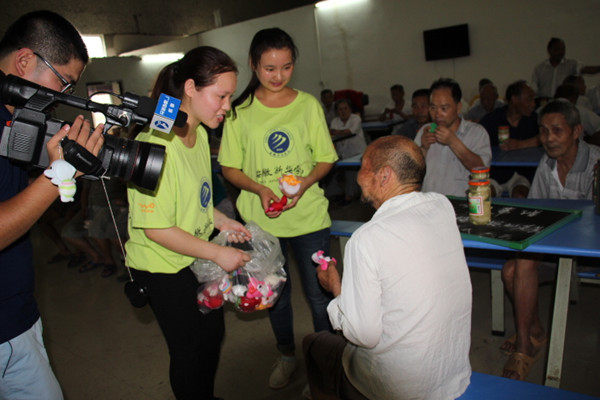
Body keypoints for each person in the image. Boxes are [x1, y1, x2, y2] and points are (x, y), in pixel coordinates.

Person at [125, 46, 252, 400]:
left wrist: (222, 220)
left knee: (212, 333)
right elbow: (156, 228)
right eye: (221, 96)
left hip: (193, 256)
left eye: (230, 96)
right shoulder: (153, 145)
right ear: (191, 88)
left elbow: (197, 200)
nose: (227, 106)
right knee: (188, 348)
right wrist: (218, 254)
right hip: (161, 266)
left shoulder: (199, 135)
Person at [303, 135, 472, 400]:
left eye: (363, 167)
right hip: (452, 376)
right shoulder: (442, 206)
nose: (358, 177)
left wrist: (335, 287)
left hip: (400, 391)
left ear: (384, 176)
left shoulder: (367, 238)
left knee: (314, 345)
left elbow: (364, 335)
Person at [218, 27, 338, 391]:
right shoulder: (239, 113)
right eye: (270, 68)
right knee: (275, 296)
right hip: (262, 223)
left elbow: (325, 158)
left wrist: (304, 184)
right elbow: (229, 167)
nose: (278, 75)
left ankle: (325, 364)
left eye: (286, 67)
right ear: (254, 65)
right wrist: (259, 188)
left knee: (319, 295)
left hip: (309, 218)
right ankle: (287, 355)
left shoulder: (307, 106)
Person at [0, 10, 104, 400]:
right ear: (25, 61)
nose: (63, 96)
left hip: (17, 316)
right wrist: (58, 174)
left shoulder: (13, 119)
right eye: (64, 82)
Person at [500, 100, 600, 381]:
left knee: (520, 266)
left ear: (577, 131)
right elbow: (537, 213)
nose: (549, 138)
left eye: (557, 130)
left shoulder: (596, 163)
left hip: (587, 257)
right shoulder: (547, 163)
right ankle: (533, 331)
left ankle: (524, 343)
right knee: (511, 269)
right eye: (543, 131)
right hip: (555, 252)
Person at [414, 78, 491, 196]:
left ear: (458, 108)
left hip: (463, 203)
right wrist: (423, 149)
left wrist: (453, 141)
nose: (437, 114)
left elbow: (481, 170)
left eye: (444, 108)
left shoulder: (476, 133)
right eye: (433, 108)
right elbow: (410, 173)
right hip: (429, 202)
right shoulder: (425, 132)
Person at [480, 80, 539, 197]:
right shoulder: (493, 119)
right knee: (483, 196)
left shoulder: (534, 119)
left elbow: (544, 138)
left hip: (522, 174)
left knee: (520, 196)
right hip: (495, 174)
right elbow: (476, 137)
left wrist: (520, 144)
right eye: (529, 99)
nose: (533, 104)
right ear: (515, 99)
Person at [531, 37, 600, 102]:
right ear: (549, 50)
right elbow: (534, 87)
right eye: (557, 49)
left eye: (563, 49)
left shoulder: (571, 64)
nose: (561, 52)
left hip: (564, 103)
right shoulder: (540, 68)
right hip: (544, 103)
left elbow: (586, 69)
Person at [328, 97, 367, 205]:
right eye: (340, 109)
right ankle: (338, 194)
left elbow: (349, 132)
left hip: (358, 152)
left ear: (350, 109)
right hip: (342, 154)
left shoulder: (356, 118)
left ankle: (350, 196)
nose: (343, 111)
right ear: (337, 112)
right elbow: (332, 133)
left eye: (345, 108)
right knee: (329, 169)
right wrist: (337, 132)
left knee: (353, 172)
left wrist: (335, 132)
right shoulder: (335, 121)